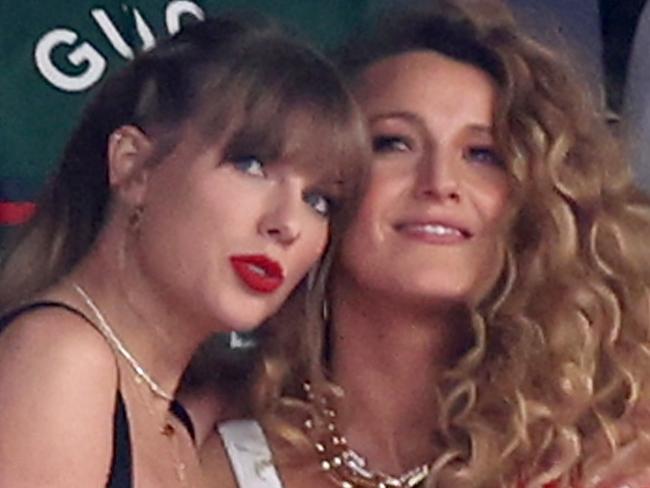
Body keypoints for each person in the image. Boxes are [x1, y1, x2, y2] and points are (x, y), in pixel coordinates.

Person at [199, 1, 650, 487]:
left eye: (482, 154)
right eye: (394, 143)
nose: (440, 183)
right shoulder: (206, 439)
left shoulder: (609, 452)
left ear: (538, 200)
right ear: (323, 181)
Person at [0, 13, 368, 488]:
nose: (287, 224)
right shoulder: (63, 360)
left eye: (318, 200)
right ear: (134, 168)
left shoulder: (168, 417)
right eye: (251, 164)